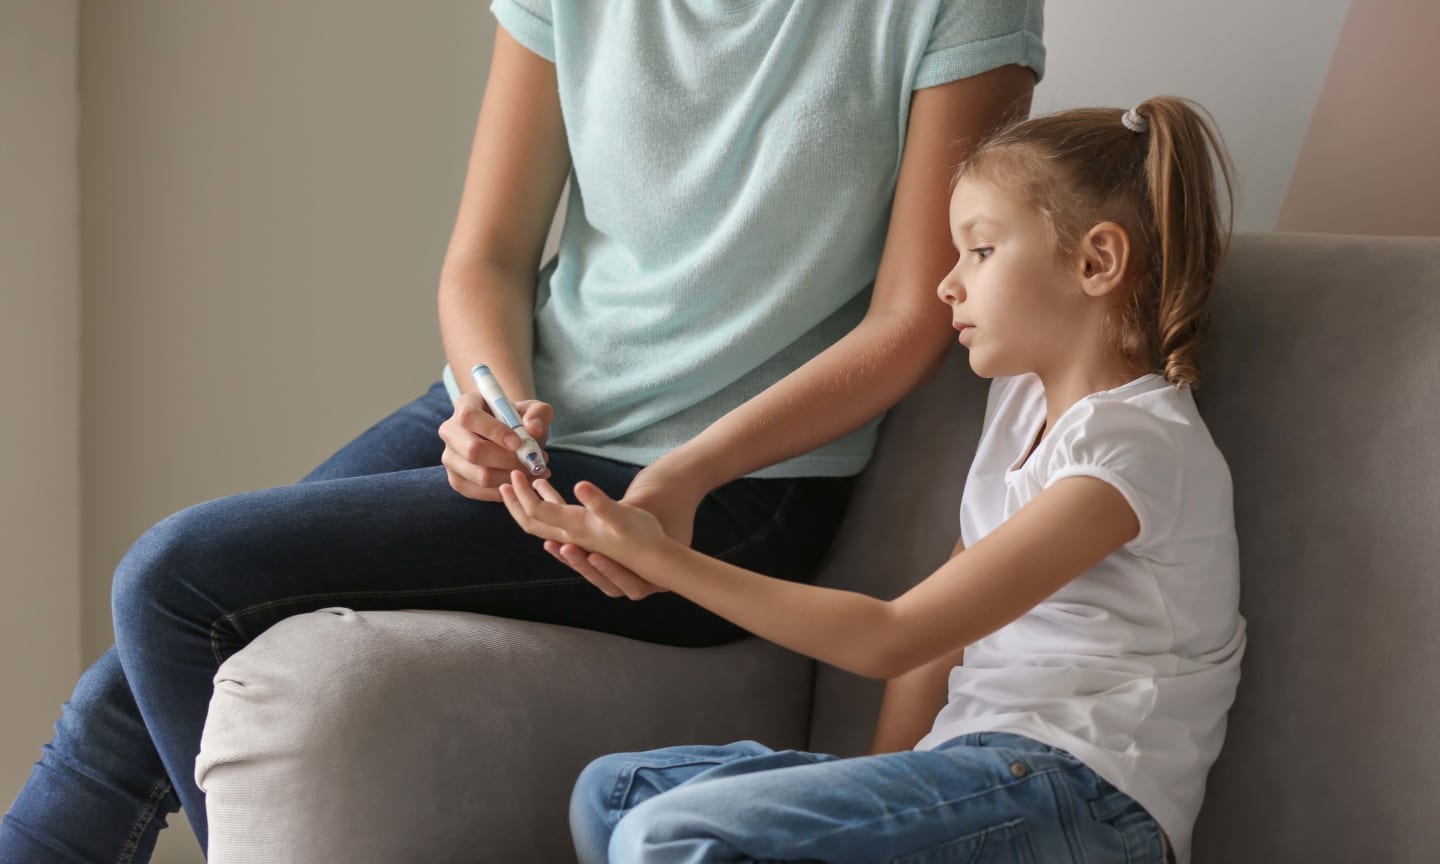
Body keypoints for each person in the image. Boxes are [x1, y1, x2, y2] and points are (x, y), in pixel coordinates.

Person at [0, 2, 1045, 862]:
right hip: (521, 405)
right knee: (135, 668)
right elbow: (488, 255)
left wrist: (694, 467)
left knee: (176, 580)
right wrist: (487, 404)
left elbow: (910, 322)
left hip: (734, 478)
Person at [500, 96, 1246, 864]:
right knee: (616, 793)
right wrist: (887, 775)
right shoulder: (1023, 405)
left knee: (668, 835)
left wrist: (664, 560)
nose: (948, 286)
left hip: (1086, 804)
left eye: (980, 251)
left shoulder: (1135, 451)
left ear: (1096, 262)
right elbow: (946, 640)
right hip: (978, 772)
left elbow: (895, 637)